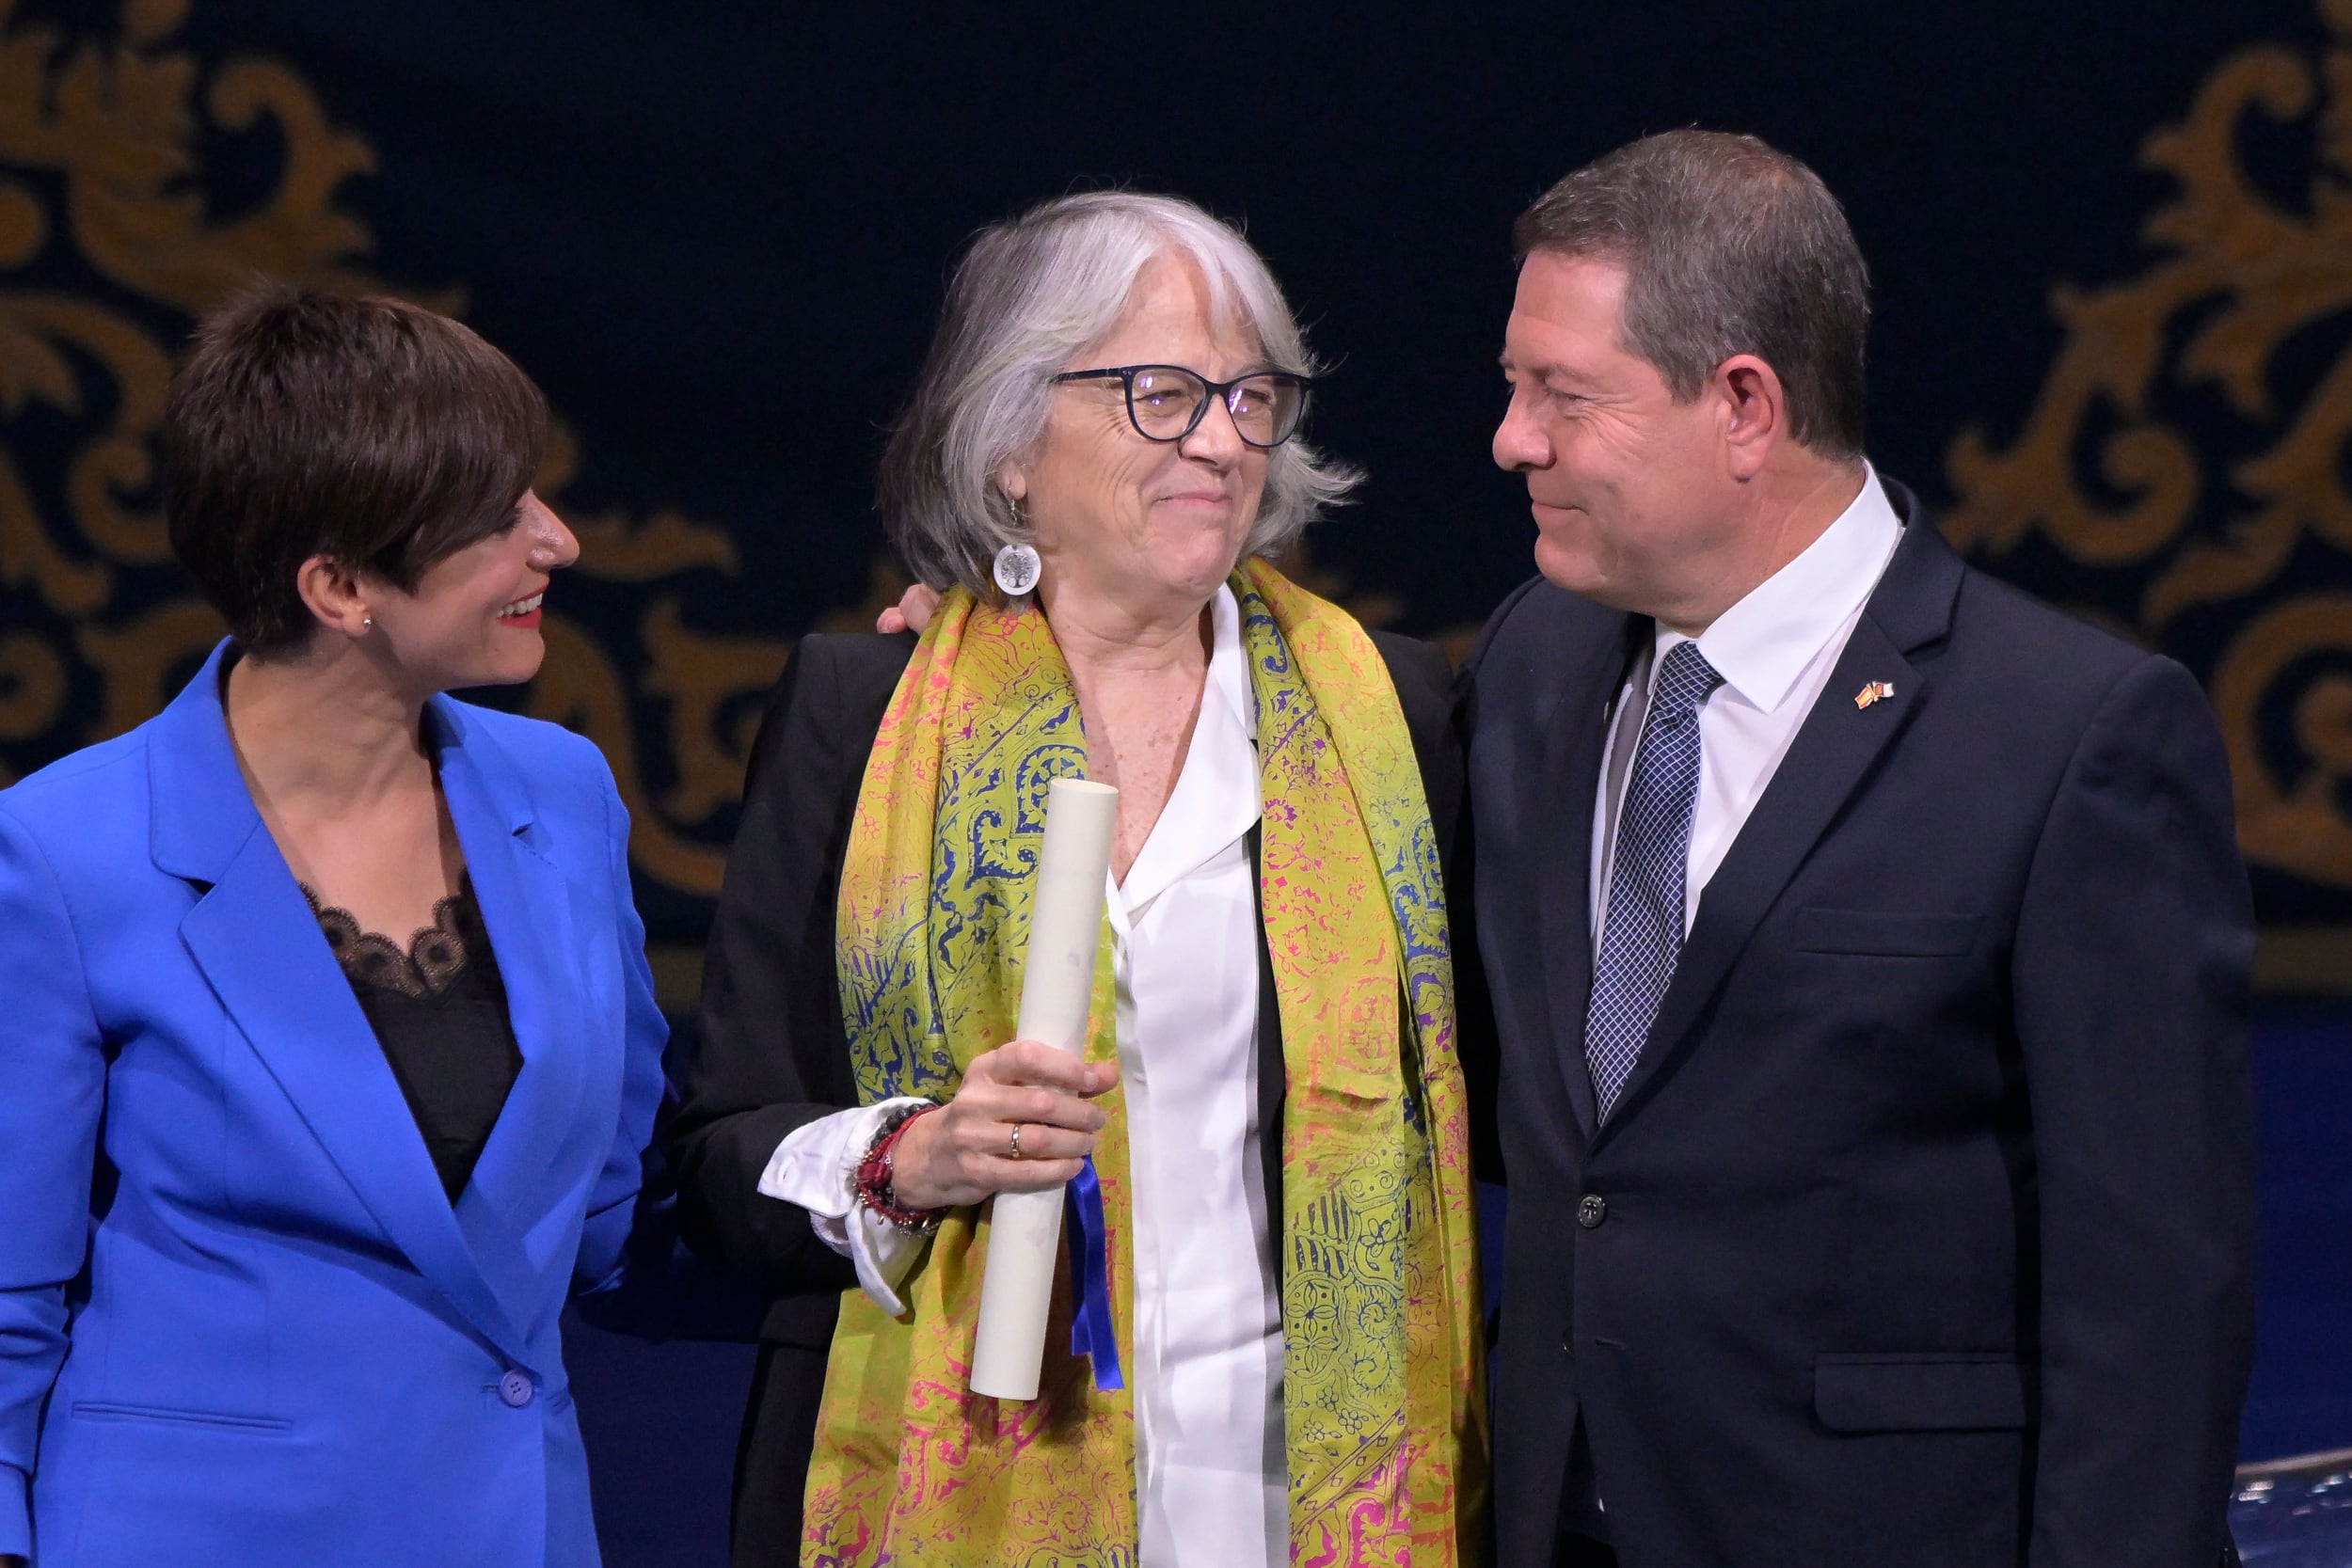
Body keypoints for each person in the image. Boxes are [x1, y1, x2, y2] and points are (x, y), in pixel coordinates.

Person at [1462, 131, 2257, 1566]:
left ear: (1746, 406)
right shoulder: (1535, 658)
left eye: (1561, 395)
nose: (1513, 438)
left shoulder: (2070, 735)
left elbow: (2148, 1294)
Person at [669, 191, 1486, 1568]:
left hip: (1304, 1494)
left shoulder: (1385, 715)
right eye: (1159, 394)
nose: (1222, 441)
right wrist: (910, 1162)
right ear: (1007, 449)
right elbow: (717, 1161)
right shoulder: (865, 715)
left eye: (1249, 395)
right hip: (965, 1484)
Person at [0, 287, 669, 1568]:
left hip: (515, 1533)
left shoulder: (564, 797)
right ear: (342, 585)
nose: (560, 542)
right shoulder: (65, 852)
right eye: (498, 519)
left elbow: (621, 1202)